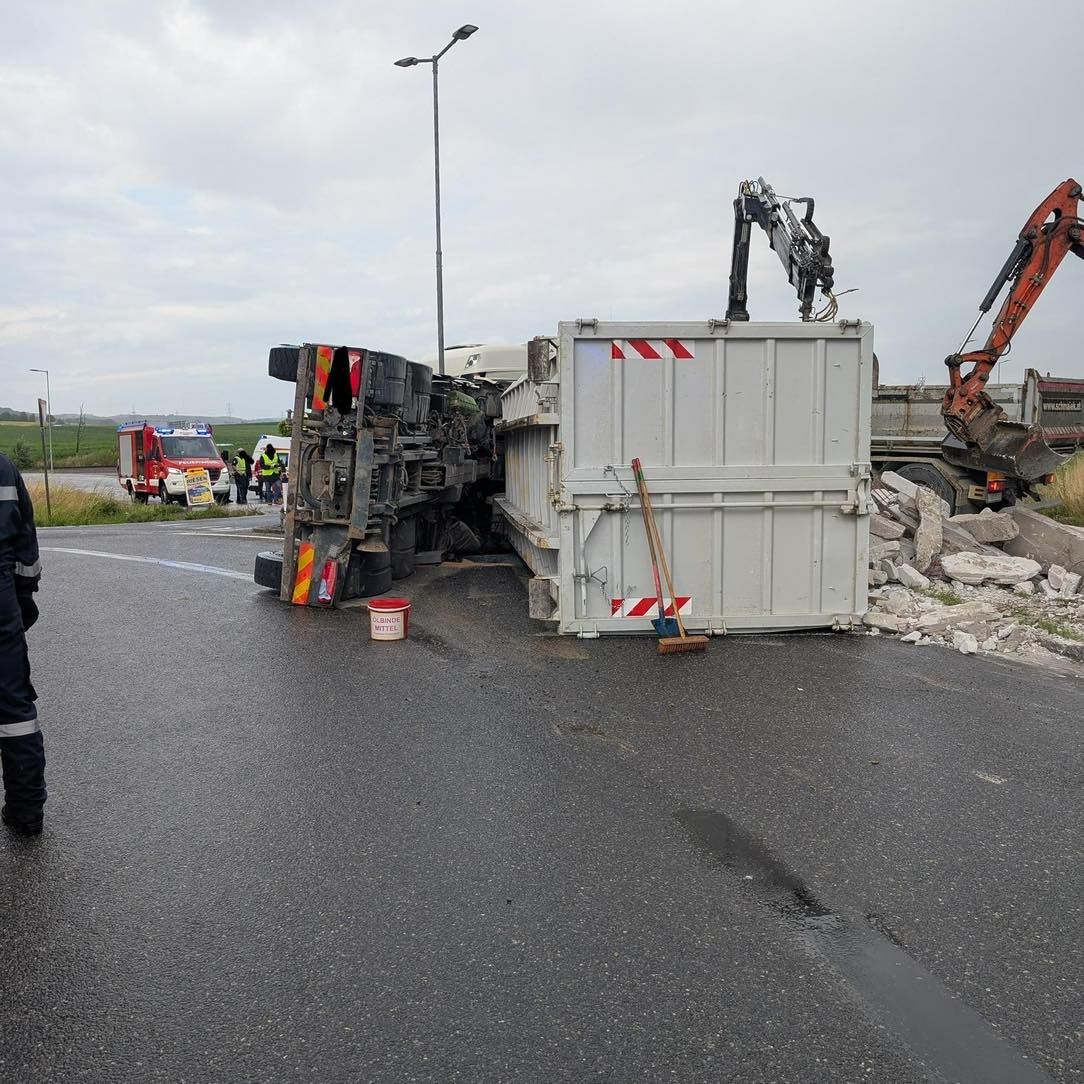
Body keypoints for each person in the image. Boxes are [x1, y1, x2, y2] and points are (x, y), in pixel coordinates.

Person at [0, 452, 45, 837]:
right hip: (0, 604)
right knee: (15, 711)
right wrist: (22, 599)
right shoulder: (4, 469)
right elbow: (25, 544)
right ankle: (27, 810)